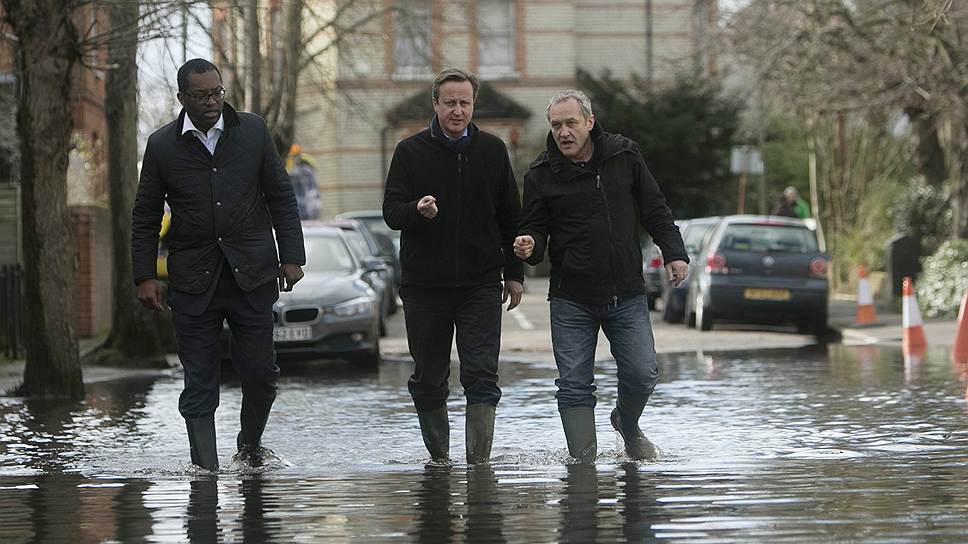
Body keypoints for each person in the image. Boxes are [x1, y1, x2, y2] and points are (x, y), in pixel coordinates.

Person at [131, 59, 305, 471]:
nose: (212, 102)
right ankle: (205, 471)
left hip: (253, 274)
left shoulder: (253, 131)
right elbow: (146, 214)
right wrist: (144, 275)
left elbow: (281, 195)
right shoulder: (161, 146)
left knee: (261, 376)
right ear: (182, 99)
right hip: (194, 279)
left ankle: (249, 445)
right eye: (201, 96)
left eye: (217, 93)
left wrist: (292, 256)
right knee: (199, 383)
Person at [513, 90, 688, 463]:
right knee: (574, 385)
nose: (563, 132)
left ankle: (626, 422)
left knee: (642, 374)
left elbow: (655, 208)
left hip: (625, 291)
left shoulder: (624, 155)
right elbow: (534, 228)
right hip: (570, 297)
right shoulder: (541, 174)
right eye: (556, 125)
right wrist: (530, 244)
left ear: (589, 122)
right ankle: (583, 467)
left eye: (570, 123)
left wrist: (674, 253)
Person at [383, 68, 524, 464]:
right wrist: (417, 210)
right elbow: (391, 211)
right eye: (450, 103)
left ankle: (479, 464)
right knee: (429, 377)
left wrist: (513, 273)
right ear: (435, 105)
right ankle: (440, 460)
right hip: (425, 286)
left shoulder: (493, 150)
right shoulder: (409, 152)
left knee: (481, 374)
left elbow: (510, 217)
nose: (457, 110)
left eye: (464, 103)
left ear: (473, 104)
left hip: (481, 282)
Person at [286, 144, 322, 220]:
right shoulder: (307, 171)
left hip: (305, 208)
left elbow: (291, 175)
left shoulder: (303, 171)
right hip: (309, 207)